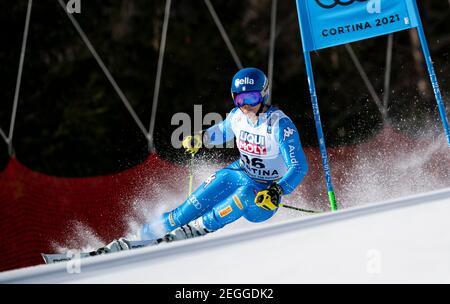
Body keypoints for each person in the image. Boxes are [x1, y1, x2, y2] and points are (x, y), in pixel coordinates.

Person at [101, 67, 308, 253]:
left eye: (252, 98)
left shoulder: (280, 125)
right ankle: (140, 237)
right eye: (239, 99)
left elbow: (299, 167)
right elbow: (222, 130)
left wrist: (277, 190)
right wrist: (201, 137)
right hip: (240, 173)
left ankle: (197, 229)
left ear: (264, 95)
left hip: (263, 194)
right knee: (185, 210)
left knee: (244, 194)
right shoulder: (237, 116)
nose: (245, 106)